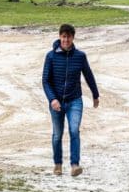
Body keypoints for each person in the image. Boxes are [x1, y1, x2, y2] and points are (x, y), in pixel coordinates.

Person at [41, 23, 99, 176]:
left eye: (69, 37)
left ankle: (74, 165)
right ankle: (58, 164)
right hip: (56, 102)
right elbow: (45, 81)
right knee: (57, 134)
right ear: (60, 37)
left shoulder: (80, 56)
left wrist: (95, 94)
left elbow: (88, 75)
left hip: (74, 100)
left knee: (74, 130)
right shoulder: (51, 56)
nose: (66, 40)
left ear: (73, 38)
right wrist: (52, 99)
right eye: (64, 36)